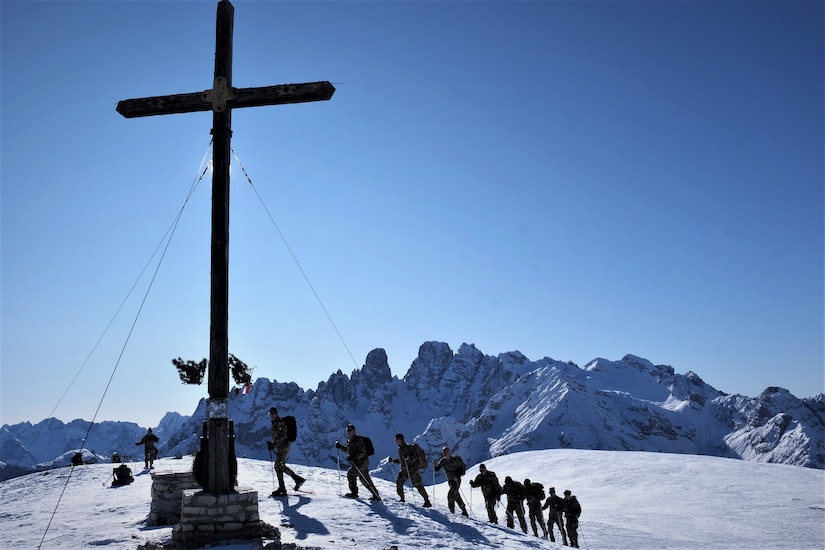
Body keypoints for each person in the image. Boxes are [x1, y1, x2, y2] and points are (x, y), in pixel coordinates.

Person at [335, 424, 381, 500]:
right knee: (361, 477)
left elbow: (363, 452)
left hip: (362, 462)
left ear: (354, 431)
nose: (348, 432)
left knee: (362, 478)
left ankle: (371, 494)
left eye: (350, 430)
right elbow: (348, 450)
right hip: (357, 463)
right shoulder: (350, 441)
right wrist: (340, 447)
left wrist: (354, 457)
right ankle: (370, 494)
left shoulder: (358, 440)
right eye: (347, 430)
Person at [267, 406, 305, 496]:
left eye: (273, 413)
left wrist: (273, 445)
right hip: (281, 446)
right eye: (270, 413)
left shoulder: (280, 423)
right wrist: (273, 444)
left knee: (278, 465)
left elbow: (283, 436)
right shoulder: (275, 423)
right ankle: (287, 485)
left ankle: (290, 483)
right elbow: (278, 436)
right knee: (279, 466)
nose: (271, 415)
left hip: (284, 446)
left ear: (276, 413)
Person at [390, 434, 431, 507]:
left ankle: (427, 501)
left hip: (412, 470)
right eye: (396, 440)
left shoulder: (408, 448)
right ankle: (402, 499)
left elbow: (414, 457)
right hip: (405, 470)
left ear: (401, 440)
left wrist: (408, 458)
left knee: (418, 485)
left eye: (398, 440)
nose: (396, 441)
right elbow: (401, 460)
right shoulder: (400, 449)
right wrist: (393, 461)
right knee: (399, 482)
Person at [432, 447, 468, 516]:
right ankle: (464, 511)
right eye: (444, 452)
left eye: (446, 452)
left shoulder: (455, 460)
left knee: (450, 495)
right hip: (450, 480)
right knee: (456, 495)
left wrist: (457, 476)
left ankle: (452, 512)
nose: (445, 453)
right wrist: (434, 465)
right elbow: (437, 469)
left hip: (456, 480)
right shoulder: (443, 461)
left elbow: (461, 469)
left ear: (449, 452)